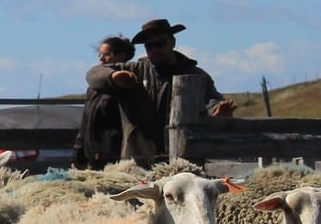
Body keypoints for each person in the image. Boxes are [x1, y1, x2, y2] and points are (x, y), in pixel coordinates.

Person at [87, 18, 236, 165]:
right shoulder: (135, 70)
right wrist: (113, 77)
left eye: (160, 44)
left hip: (183, 159)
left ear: (172, 42)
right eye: (149, 46)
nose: (155, 50)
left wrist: (218, 113)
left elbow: (211, 102)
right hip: (138, 161)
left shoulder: (196, 75)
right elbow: (93, 74)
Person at [76, 35, 136, 169]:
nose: (101, 59)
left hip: (115, 157)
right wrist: (78, 154)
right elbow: (86, 121)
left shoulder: (129, 83)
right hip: (92, 156)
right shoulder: (94, 87)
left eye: (107, 54)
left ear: (122, 55)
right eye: (100, 54)